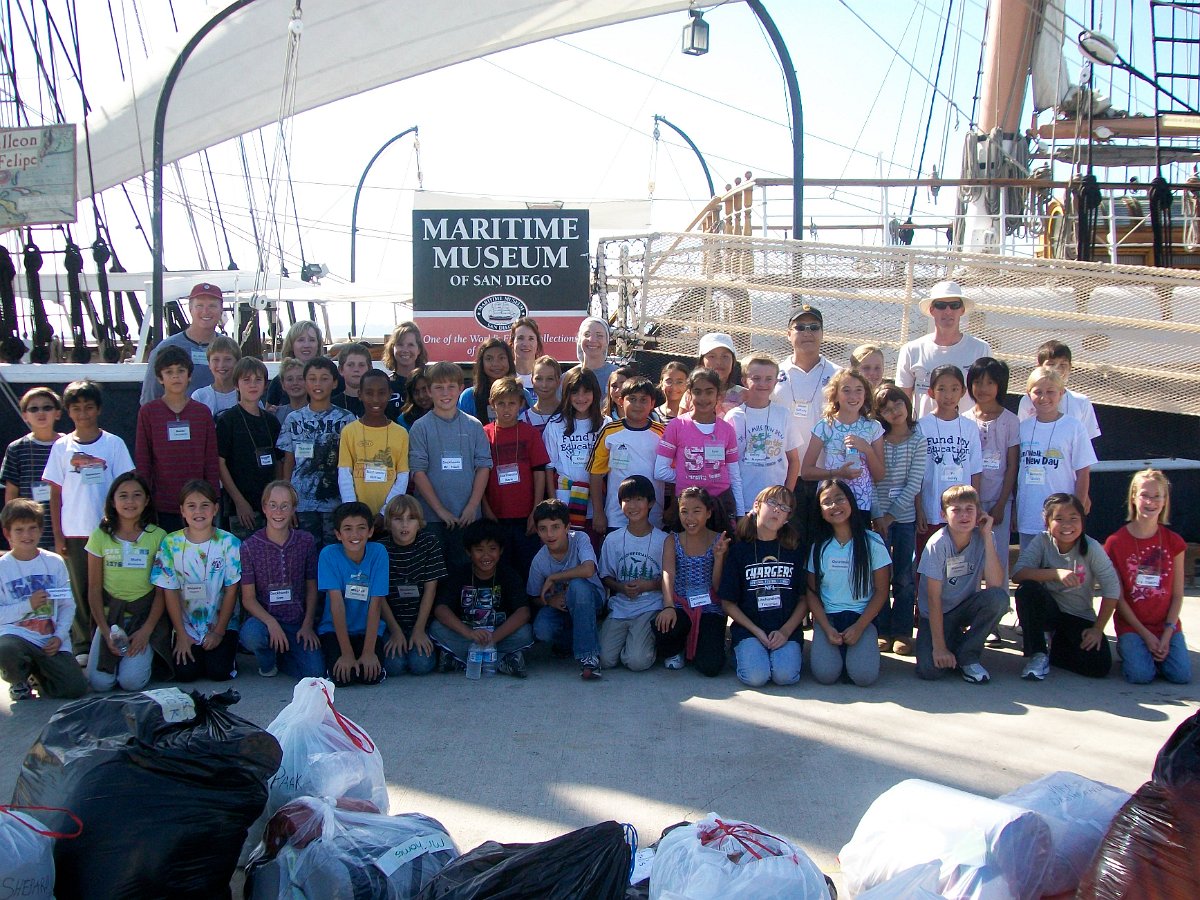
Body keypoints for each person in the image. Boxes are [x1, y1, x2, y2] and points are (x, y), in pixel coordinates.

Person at [44, 379, 135, 658]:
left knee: (109, 589)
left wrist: (124, 528)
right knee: (79, 591)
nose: (83, 413)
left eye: (89, 407)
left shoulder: (114, 444)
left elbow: (126, 486)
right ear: (68, 412)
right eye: (76, 408)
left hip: (109, 531)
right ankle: (83, 644)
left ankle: (108, 640)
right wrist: (58, 535)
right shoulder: (61, 447)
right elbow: (55, 494)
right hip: (74, 532)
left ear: (99, 409)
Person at [1012, 493, 1117, 681]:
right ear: (1047, 523)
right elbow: (1018, 574)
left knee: (1099, 666)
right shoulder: (1042, 541)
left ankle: (1057, 648)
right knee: (1027, 590)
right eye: (1059, 519)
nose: (1067, 525)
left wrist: (1097, 629)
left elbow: (1112, 589)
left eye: (1073, 518)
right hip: (1048, 612)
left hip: (1078, 614)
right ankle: (1038, 653)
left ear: (1082, 521)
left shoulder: (1092, 547)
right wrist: (1055, 573)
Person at [84, 473, 169, 692]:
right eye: (123, 496)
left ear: (146, 500)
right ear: (113, 501)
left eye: (136, 495)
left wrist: (146, 631)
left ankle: (146, 658)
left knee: (131, 682)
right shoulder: (100, 536)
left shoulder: (158, 536)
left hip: (144, 618)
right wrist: (105, 633)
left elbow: (162, 591)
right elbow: (94, 589)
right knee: (100, 684)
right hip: (111, 620)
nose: (130, 501)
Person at [1104, 469, 1190, 685]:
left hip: (1165, 625)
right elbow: (1118, 598)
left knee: (1180, 675)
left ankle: (1154, 654)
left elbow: (1178, 595)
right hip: (1133, 626)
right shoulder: (1115, 543)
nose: (1150, 502)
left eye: (1157, 496)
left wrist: (1167, 633)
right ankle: (1133, 651)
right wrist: (1145, 635)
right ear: (1133, 497)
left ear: (1165, 500)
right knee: (1141, 676)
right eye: (1144, 495)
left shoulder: (1174, 541)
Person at [915, 485, 1008, 683]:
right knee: (930, 671)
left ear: (978, 513)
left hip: (965, 607)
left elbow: (995, 583)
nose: (964, 515)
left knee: (999, 598)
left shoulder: (985, 536)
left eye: (969, 509)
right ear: (944, 514)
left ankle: (968, 655)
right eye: (956, 510)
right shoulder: (937, 544)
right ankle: (952, 642)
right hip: (937, 613)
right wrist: (939, 648)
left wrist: (987, 536)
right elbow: (933, 598)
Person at [151, 480, 241, 682]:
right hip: (186, 625)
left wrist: (219, 632)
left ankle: (227, 651)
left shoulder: (230, 543)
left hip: (220, 623)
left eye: (205, 505)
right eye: (191, 506)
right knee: (186, 674)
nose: (198, 511)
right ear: (182, 511)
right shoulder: (170, 543)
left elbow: (231, 590)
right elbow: (169, 590)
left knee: (219, 672)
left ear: (215, 509)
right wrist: (181, 634)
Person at [408, 360, 492, 571]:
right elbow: (418, 472)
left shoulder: (474, 426)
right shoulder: (420, 427)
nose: (445, 393)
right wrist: (440, 510)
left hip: (467, 516)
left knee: (464, 571)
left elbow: (483, 466)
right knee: (433, 572)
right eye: (439, 387)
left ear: (460, 388)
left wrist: (472, 506)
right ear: (429, 391)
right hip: (432, 518)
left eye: (451, 386)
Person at [0, 499, 87, 702]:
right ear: (7, 533)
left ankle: (38, 674)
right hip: (17, 636)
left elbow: (67, 605)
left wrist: (59, 636)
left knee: (75, 689)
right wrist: (27, 605)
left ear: (41, 530)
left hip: (49, 638)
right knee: (5, 649)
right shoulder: (3, 567)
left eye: (32, 528)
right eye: (19, 530)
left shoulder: (54, 562)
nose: (27, 535)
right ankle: (18, 679)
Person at [719, 485, 807, 687]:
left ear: (788, 517)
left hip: (785, 630)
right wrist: (756, 631)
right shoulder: (739, 551)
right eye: (772, 502)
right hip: (749, 630)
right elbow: (728, 603)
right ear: (757, 506)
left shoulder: (795, 550)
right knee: (756, 677)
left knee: (784, 676)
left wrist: (785, 632)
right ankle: (740, 652)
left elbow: (804, 599)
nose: (777, 510)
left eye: (784, 507)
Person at [806, 480, 890, 686]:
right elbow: (811, 592)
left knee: (864, 677)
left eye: (839, 499)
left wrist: (860, 627)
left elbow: (881, 591)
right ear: (820, 511)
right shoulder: (819, 547)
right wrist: (826, 627)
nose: (834, 506)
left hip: (861, 618)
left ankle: (857, 654)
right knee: (826, 675)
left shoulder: (873, 542)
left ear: (851, 502)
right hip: (829, 620)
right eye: (827, 502)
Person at [238, 481, 324, 679]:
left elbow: (312, 588)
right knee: (252, 635)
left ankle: (283, 656)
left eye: (285, 506)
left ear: (294, 509)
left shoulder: (306, 541)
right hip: (264, 622)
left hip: (297, 622)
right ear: (264, 508)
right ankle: (268, 660)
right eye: (273, 505)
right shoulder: (249, 546)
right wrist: (271, 623)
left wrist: (308, 624)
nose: (278, 511)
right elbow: (248, 599)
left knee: (315, 672)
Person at [430, 517, 533, 678]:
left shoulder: (509, 575)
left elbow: (523, 612)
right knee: (436, 628)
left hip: (498, 635)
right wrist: (469, 633)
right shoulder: (460, 574)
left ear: (501, 550)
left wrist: (493, 638)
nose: (486, 556)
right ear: (468, 552)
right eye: (479, 550)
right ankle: (502, 661)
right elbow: (441, 609)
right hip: (468, 635)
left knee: (525, 633)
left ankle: (460, 660)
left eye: (492, 549)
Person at [135, 345, 221, 534]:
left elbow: (211, 461)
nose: (175, 377)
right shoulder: (148, 412)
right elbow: (143, 461)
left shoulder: (202, 413)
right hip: (161, 505)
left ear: (189, 375)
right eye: (169, 372)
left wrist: (213, 499)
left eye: (181, 371)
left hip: (198, 506)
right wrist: (144, 501)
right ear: (160, 378)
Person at [772, 305, 840, 540]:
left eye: (814, 327)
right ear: (788, 334)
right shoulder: (774, 373)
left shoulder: (839, 374)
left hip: (825, 473)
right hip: (784, 474)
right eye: (800, 327)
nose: (807, 333)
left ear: (822, 333)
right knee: (789, 540)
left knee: (822, 540)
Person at [277, 356, 357, 546]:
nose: (318, 384)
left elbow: (353, 462)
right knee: (306, 554)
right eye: (312, 379)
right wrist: (287, 501)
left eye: (324, 378)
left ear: (335, 382)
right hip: (302, 503)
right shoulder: (293, 419)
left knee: (333, 552)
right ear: (305, 382)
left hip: (336, 502)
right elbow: (288, 461)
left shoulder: (347, 419)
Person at [870, 384, 925, 656]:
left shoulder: (918, 440)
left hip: (903, 519)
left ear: (907, 403)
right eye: (887, 409)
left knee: (904, 576)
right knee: (879, 574)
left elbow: (914, 483)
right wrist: (878, 515)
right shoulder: (876, 439)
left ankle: (902, 631)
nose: (894, 412)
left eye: (898, 404)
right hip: (877, 519)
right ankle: (881, 629)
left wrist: (891, 516)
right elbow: (869, 479)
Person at [1015, 365, 1096, 550]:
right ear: (1028, 395)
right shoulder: (1022, 428)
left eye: (1050, 391)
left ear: (1061, 393)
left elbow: (1083, 471)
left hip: (1062, 517)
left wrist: (1077, 510)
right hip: (1029, 513)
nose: (1044, 397)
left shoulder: (1073, 427)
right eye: (1038, 392)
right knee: (1030, 564)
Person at [598, 475, 672, 672]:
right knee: (604, 660)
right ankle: (627, 640)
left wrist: (649, 585)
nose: (632, 505)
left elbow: (670, 578)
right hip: (620, 607)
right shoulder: (612, 539)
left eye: (639, 499)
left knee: (637, 662)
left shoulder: (664, 540)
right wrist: (621, 587)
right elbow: (605, 576)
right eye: (627, 500)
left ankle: (642, 643)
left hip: (650, 607)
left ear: (651, 503)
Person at [528, 499, 607, 679]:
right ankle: (571, 642)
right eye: (543, 529)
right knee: (541, 629)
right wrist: (549, 601)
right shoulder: (539, 561)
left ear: (567, 527)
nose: (549, 534)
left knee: (578, 586)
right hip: (561, 608)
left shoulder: (580, 539)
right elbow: (534, 596)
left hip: (590, 600)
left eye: (555, 527)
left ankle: (589, 657)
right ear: (537, 531)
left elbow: (588, 569)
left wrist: (553, 577)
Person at [655, 367, 745, 522]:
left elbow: (734, 475)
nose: (703, 398)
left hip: (720, 503)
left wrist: (740, 513)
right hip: (687, 504)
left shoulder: (727, 430)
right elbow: (660, 471)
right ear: (689, 394)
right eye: (697, 392)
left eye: (709, 392)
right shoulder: (676, 426)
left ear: (718, 395)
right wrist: (690, 477)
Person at [801, 368, 884, 527]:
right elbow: (806, 472)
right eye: (846, 390)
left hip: (860, 503)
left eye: (858, 390)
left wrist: (867, 449)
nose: (853, 396)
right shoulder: (825, 426)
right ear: (835, 395)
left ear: (865, 394)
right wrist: (837, 473)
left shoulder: (874, 427)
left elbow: (879, 475)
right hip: (831, 503)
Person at [316, 501, 388, 686]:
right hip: (335, 629)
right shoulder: (328, 555)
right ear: (338, 534)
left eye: (361, 528)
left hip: (367, 629)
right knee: (342, 678)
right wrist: (347, 654)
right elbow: (336, 604)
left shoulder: (378, 553)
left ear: (370, 531)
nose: (355, 535)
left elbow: (376, 604)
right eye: (347, 529)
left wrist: (369, 652)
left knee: (370, 676)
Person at [482, 376, 549, 573]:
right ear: (492, 404)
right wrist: (486, 509)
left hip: (525, 516)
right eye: (501, 403)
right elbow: (478, 475)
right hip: (496, 515)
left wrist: (536, 510)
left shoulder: (530, 433)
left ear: (520, 404)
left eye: (512, 403)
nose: (506, 408)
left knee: (527, 566)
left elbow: (539, 472)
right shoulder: (484, 433)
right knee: (500, 567)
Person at [660, 487, 730, 675]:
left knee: (710, 667)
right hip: (680, 605)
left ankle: (706, 644)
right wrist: (668, 606)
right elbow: (668, 573)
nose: (689, 518)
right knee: (663, 628)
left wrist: (719, 558)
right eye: (684, 511)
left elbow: (718, 586)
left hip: (709, 607)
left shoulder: (719, 540)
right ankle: (678, 647)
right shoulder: (672, 540)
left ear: (708, 513)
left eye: (696, 511)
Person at [895, 281, 990, 418]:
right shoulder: (911, 350)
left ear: (962, 310)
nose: (948, 311)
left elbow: (987, 397)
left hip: (966, 430)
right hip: (923, 429)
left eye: (954, 305)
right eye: (941, 305)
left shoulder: (980, 349)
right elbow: (902, 400)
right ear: (932, 310)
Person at [916, 365, 982, 559]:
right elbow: (916, 473)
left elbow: (976, 470)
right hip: (931, 507)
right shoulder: (922, 426)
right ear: (931, 392)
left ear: (963, 391)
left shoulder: (970, 427)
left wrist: (975, 506)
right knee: (928, 559)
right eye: (942, 389)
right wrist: (919, 509)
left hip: (962, 511)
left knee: (959, 562)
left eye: (954, 389)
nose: (948, 395)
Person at [378, 495, 445, 677]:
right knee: (394, 666)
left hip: (421, 620)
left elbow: (431, 589)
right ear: (388, 522)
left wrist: (419, 629)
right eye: (398, 519)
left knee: (420, 665)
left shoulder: (429, 543)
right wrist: (395, 631)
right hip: (391, 622)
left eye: (411, 518)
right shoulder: (380, 548)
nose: (405, 525)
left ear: (419, 522)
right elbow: (378, 595)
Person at [964, 358, 1020, 579]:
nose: (983, 388)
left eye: (990, 382)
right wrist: (972, 504)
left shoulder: (1011, 421)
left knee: (998, 558)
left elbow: (1012, 465)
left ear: (1000, 385)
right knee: (970, 559)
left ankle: (999, 598)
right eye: (977, 382)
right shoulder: (964, 420)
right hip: (969, 503)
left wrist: (1002, 504)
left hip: (999, 502)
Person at [590, 377, 667, 533]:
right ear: (621, 401)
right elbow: (595, 473)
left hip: (653, 515)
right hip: (617, 516)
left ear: (652, 403)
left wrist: (672, 508)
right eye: (632, 399)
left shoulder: (662, 433)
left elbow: (671, 471)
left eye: (643, 400)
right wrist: (598, 512)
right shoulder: (609, 431)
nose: (637, 405)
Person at [216, 356, 281, 539]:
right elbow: (220, 464)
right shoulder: (227, 420)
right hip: (240, 506)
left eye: (258, 380)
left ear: (265, 385)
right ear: (236, 385)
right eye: (246, 380)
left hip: (270, 504)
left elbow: (279, 461)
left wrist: (278, 499)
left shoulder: (271, 421)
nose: (253, 385)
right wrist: (239, 501)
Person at [725, 353, 801, 505]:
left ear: (776, 381)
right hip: (743, 501)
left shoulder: (783, 414)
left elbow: (794, 461)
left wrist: (786, 496)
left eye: (768, 379)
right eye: (756, 378)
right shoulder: (734, 417)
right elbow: (727, 463)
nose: (763, 384)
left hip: (776, 503)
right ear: (744, 381)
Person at [337, 368, 410, 523]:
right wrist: (354, 510)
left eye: (381, 393)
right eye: (369, 393)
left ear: (390, 394)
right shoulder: (349, 431)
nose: (375, 399)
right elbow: (344, 474)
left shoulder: (401, 433)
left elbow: (403, 476)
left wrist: (386, 512)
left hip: (390, 515)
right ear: (360, 394)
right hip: (357, 516)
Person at [140, 282, 224, 403]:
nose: (206, 311)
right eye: (199, 305)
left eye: (212, 306)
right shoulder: (165, 348)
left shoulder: (229, 348)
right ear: (190, 309)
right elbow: (150, 396)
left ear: (221, 310)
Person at [3, 387, 64, 550]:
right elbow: (11, 494)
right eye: (34, 409)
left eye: (47, 407)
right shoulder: (16, 448)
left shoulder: (69, 445)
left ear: (58, 413)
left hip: (66, 531)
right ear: (25, 415)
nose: (41, 412)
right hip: (29, 534)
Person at [544, 367, 604, 531]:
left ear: (595, 392)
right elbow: (549, 467)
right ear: (566, 394)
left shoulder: (605, 424)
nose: (581, 398)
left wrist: (599, 511)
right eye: (575, 392)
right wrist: (553, 502)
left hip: (596, 501)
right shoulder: (555, 424)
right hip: (564, 500)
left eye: (587, 392)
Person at [1016, 340, 1101, 442]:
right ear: (1039, 367)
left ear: (1070, 367)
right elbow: (1021, 433)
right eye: (1051, 364)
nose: (1057, 369)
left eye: (1063, 364)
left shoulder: (1081, 401)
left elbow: (1088, 439)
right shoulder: (1028, 400)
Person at [460, 337, 522, 423]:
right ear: (482, 363)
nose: (495, 364)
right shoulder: (469, 396)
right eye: (489, 359)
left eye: (501, 358)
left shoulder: (522, 393)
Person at [266, 320, 326, 406]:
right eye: (301, 340)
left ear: (318, 345)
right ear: (291, 345)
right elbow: (268, 410)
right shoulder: (279, 382)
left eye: (312, 340)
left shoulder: (329, 379)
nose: (306, 345)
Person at [693, 332, 745, 415]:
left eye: (725, 356)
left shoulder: (746, 396)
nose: (719, 362)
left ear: (733, 361)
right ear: (702, 362)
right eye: (712, 356)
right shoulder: (691, 393)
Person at [191, 335, 241, 417]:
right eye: (216, 360)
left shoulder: (247, 395)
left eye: (228, 359)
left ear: (237, 363)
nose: (221, 365)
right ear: (209, 364)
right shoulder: (199, 397)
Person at [382, 321, 428, 405]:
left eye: (410, 345)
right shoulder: (385, 385)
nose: (405, 350)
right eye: (400, 344)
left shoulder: (429, 382)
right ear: (392, 348)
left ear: (419, 350)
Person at [567, 315, 616, 390]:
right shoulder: (568, 378)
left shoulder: (618, 376)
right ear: (579, 340)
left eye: (599, 335)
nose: (592, 340)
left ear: (607, 341)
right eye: (587, 334)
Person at [331, 342, 378, 418]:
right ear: (341, 370)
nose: (356, 369)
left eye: (361, 365)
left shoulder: (379, 403)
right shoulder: (331, 406)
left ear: (370, 369)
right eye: (350, 365)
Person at [521, 355, 561, 433]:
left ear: (558, 381)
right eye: (539, 379)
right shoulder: (524, 419)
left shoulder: (570, 414)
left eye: (550, 379)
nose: (544, 385)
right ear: (532, 381)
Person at [509, 317, 544, 389]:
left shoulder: (547, 376)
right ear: (512, 342)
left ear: (537, 343)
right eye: (520, 338)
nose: (525, 344)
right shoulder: (503, 374)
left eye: (531, 339)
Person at [273, 357, 309, 427]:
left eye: (300, 378)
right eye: (290, 379)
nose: (295, 383)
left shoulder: (319, 412)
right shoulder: (276, 414)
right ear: (283, 384)